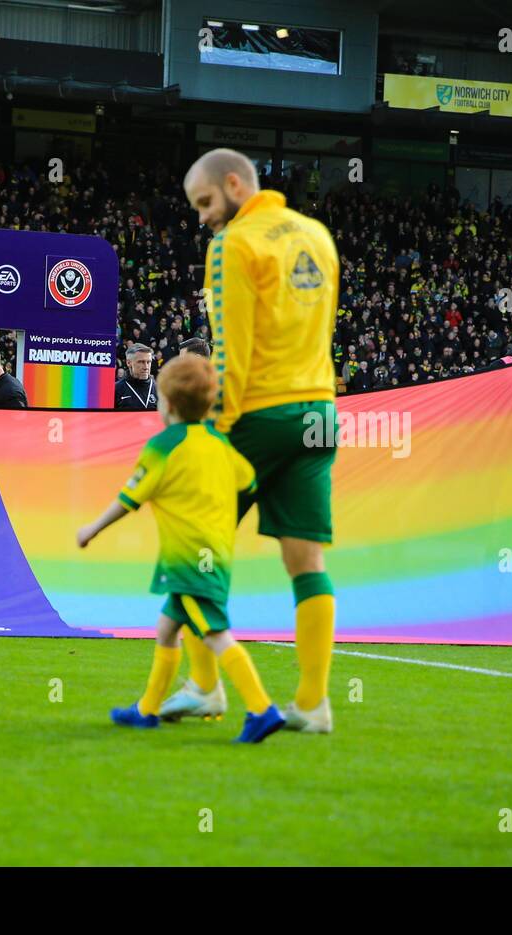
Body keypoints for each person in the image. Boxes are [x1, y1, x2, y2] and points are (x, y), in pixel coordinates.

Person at [160, 148, 339, 733]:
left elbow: (230, 348)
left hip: (257, 413)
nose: (204, 217)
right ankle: (313, 704)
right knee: (306, 559)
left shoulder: (233, 245)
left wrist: (215, 430)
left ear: (234, 185)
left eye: (206, 202)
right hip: (317, 413)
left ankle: (205, 687)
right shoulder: (316, 235)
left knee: (196, 545)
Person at [76, 354, 284, 743]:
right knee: (168, 628)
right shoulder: (221, 444)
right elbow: (250, 483)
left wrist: (92, 529)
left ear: (167, 404)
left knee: (215, 633)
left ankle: (261, 708)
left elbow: (129, 498)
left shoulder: (163, 446)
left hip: (188, 559)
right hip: (216, 552)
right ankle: (147, 711)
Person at [114, 343, 158, 410]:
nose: (146, 367)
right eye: (141, 362)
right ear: (128, 363)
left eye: (148, 362)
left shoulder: (159, 389)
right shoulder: (116, 389)